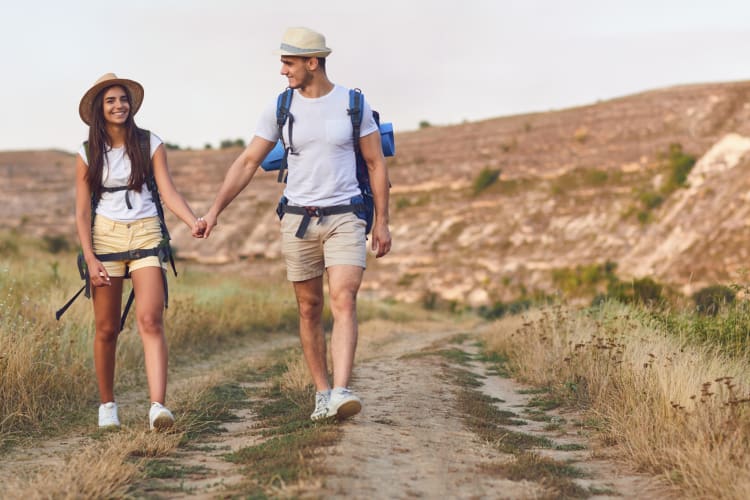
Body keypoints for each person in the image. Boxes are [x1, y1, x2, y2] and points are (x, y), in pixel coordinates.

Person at [199, 27, 391, 421]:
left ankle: (341, 390)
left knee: (344, 298)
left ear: (312, 62)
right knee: (309, 308)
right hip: (298, 220)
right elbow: (248, 162)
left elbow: (375, 164)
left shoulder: (353, 103)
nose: (283, 71)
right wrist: (215, 210)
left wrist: (382, 222)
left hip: (346, 216)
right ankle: (322, 392)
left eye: (288, 63)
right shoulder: (280, 107)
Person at [75, 73, 207, 430]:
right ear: (100, 110)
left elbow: (168, 191)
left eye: (123, 100)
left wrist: (192, 219)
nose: (119, 106)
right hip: (105, 241)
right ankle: (107, 406)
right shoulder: (88, 152)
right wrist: (89, 257)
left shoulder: (150, 143)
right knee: (106, 328)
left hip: (147, 233)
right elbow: (82, 211)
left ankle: (157, 406)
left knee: (150, 319)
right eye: (111, 101)